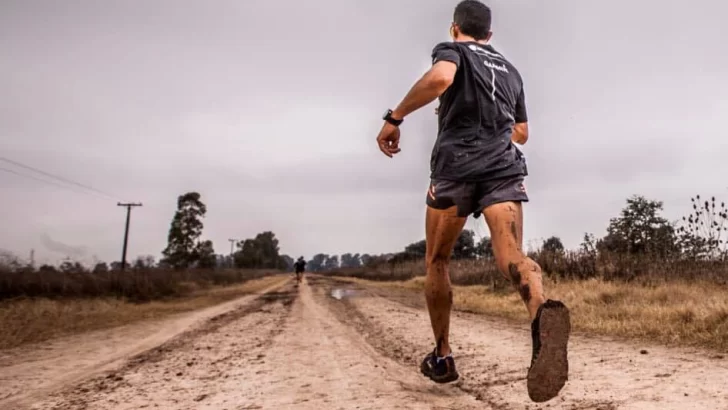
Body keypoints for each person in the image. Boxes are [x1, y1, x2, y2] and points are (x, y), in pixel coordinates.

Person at [374, 0, 571, 403]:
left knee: (438, 260)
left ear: (455, 29)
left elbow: (441, 79)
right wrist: (493, 130)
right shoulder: (511, 71)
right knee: (512, 254)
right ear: (490, 35)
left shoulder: (453, 52)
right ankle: (541, 310)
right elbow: (522, 131)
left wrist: (394, 119)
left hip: (455, 169)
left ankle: (443, 356)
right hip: (503, 167)